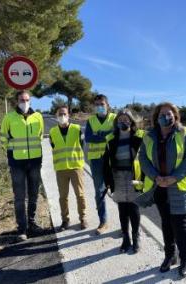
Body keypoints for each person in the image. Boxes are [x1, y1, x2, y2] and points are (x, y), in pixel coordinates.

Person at [138, 102, 186, 277]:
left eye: (170, 113)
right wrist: (155, 177)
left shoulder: (184, 133)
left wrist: (174, 177)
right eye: (162, 114)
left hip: (179, 187)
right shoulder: (149, 136)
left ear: (175, 116)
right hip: (159, 186)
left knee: (180, 225)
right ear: (156, 118)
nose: (166, 117)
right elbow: (142, 158)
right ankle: (169, 256)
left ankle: (185, 259)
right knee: (166, 223)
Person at [0, 90, 45, 242]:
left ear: (30, 101)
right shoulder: (9, 117)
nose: (24, 102)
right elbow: (3, 138)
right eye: (21, 100)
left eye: (27, 100)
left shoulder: (38, 116)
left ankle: (32, 224)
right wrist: (12, 155)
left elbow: (40, 135)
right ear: (16, 101)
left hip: (34, 161)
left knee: (33, 194)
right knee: (20, 197)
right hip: (17, 163)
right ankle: (22, 228)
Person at [103, 109, 144, 253]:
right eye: (120, 119)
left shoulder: (140, 136)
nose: (123, 122)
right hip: (117, 176)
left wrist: (145, 179)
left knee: (133, 207)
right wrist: (107, 181)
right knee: (122, 209)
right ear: (116, 122)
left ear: (131, 121)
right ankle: (125, 238)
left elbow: (146, 158)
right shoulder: (110, 138)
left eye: (126, 119)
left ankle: (136, 237)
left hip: (134, 176)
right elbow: (105, 162)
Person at [49, 106, 87, 231]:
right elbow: (53, 146)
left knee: (80, 195)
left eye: (64, 114)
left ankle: (83, 218)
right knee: (63, 197)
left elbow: (82, 145)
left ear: (69, 115)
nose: (62, 116)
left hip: (76, 167)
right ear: (56, 116)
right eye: (60, 114)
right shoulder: (52, 132)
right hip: (61, 169)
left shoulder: (77, 129)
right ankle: (65, 220)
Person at [85, 94, 117, 234]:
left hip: (113, 159)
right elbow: (88, 137)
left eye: (102, 104)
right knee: (99, 191)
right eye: (97, 104)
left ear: (107, 105)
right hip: (96, 160)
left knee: (120, 190)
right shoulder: (90, 120)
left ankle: (125, 223)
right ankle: (103, 221)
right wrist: (107, 134)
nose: (100, 107)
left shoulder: (115, 118)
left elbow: (117, 135)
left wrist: (98, 135)